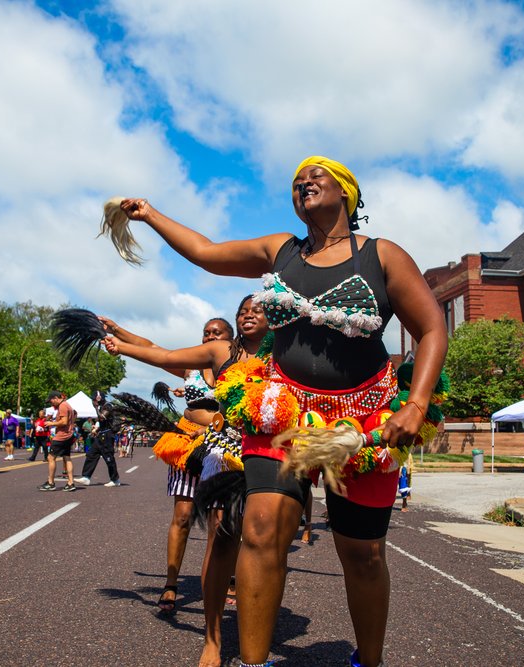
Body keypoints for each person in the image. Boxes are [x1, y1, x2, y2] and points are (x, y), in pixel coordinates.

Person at [116, 155, 447, 667]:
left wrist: (417, 405)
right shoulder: (281, 251)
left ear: (348, 193)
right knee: (262, 529)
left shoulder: (383, 256)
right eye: (297, 182)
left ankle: (370, 661)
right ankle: (252, 663)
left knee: (364, 555)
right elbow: (206, 252)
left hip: (361, 423)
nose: (304, 183)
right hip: (280, 414)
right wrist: (152, 214)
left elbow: (431, 329)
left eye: (318, 176)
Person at [103, 296, 270, 667]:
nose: (248, 314)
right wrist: (121, 342)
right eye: (243, 310)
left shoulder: (283, 358)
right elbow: (161, 353)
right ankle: (211, 636)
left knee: (259, 540)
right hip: (218, 450)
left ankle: (253, 629)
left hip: (264, 452)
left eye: (258, 310)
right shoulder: (219, 353)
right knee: (217, 531)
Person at [100, 314, 236, 617]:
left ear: (230, 339)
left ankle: (225, 578)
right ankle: (171, 583)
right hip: (187, 448)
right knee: (183, 515)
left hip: (225, 451)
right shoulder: (190, 368)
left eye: (217, 333)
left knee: (221, 522)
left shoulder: (238, 370)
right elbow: (153, 348)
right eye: (206, 333)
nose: (210, 337)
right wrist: (118, 332)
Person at [75, 393, 122, 487]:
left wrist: (96, 407)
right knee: (91, 454)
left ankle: (115, 479)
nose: (92, 401)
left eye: (94, 399)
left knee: (108, 457)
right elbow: (102, 422)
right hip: (101, 435)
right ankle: (86, 477)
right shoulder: (103, 407)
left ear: (98, 399)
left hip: (107, 435)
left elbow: (102, 417)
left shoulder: (107, 406)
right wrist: (96, 429)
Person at [40, 391, 77, 491]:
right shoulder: (68, 405)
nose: (51, 404)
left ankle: (51, 483)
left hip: (62, 436)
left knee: (51, 457)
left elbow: (64, 422)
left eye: (51, 401)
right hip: (69, 435)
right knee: (67, 458)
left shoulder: (63, 406)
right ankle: (71, 483)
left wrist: (51, 423)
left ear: (56, 398)